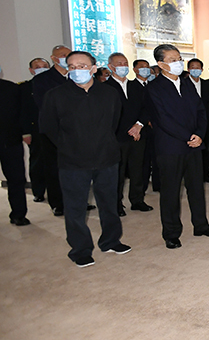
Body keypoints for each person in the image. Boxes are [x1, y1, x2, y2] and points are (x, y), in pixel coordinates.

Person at [39, 51, 129, 267]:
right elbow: (48, 127)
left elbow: (114, 122)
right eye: (71, 66)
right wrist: (69, 145)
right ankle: (80, 249)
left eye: (81, 66)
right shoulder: (56, 95)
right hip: (73, 161)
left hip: (106, 157)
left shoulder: (109, 93)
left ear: (93, 68)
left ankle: (111, 241)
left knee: (109, 203)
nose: (76, 70)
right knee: (75, 207)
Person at [145, 44, 209, 249]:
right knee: (171, 191)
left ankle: (201, 225)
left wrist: (199, 135)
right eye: (172, 60)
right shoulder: (154, 88)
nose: (178, 63)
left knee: (196, 188)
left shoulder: (187, 84)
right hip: (170, 147)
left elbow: (201, 111)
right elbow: (162, 119)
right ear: (161, 64)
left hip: (194, 145)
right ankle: (171, 233)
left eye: (179, 59)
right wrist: (188, 136)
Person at [106, 52, 153, 216]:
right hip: (117, 137)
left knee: (137, 169)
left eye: (125, 63)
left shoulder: (137, 86)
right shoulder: (105, 88)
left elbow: (147, 108)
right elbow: (108, 114)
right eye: (119, 63)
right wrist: (129, 129)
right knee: (118, 173)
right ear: (111, 67)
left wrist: (138, 125)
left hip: (138, 135)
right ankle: (116, 204)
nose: (123, 66)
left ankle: (137, 200)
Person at [31, 44, 71, 216]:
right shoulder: (42, 79)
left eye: (68, 54)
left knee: (76, 168)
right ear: (54, 59)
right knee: (54, 168)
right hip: (53, 131)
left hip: (77, 130)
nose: (66, 58)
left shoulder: (76, 76)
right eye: (62, 55)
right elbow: (45, 107)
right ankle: (58, 203)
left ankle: (77, 200)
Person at [0, 73, 29, 226]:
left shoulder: (11, 88)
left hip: (10, 141)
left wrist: (25, 132)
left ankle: (18, 214)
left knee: (16, 179)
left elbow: (22, 112)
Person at [21, 57, 50, 203]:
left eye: (44, 66)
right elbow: (22, 112)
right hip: (36, 129)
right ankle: (38, 191)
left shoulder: (57, 84)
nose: (41, 69)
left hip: (56, 130)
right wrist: (25, 132)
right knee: (37, 162)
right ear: (31, 70)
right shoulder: (25, 87)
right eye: (38, 67)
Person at [134, 59, 160, 194]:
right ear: (135, 70)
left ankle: (158, 184)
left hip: (156, 129)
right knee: (142, 161)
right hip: (140, 129)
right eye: (142, 67)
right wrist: (144, 121)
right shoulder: (132, 86)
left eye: (147, 66)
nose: (146, 69)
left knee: (157, 158)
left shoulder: (154, 86)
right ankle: (141, 188)